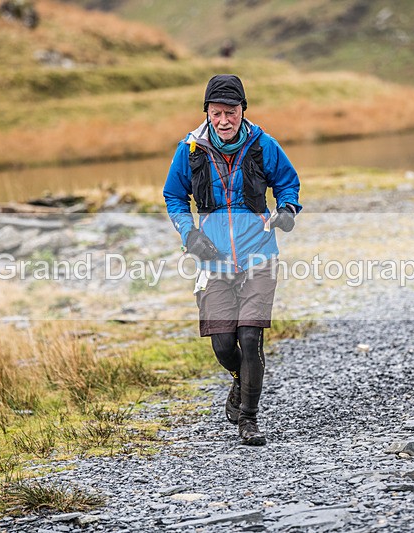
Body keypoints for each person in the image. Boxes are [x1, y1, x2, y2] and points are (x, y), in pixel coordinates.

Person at [163, 74, 302, 446]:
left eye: (231, 111)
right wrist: (189, 234)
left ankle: (249, 420)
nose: (224, 120)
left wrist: (287, 209)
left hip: (260, 255)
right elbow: (174, 197)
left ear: (243, 111)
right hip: (214, 261)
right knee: (224, 343)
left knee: (250, 335)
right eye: (217, 112)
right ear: (207, 112)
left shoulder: (264, 145)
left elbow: (288, 183)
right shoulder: (190, 151)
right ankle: (241, 379)